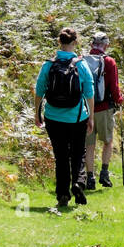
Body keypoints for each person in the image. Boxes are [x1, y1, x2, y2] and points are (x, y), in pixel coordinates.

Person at [34, 28, 95, 208]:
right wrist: (90, 117)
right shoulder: (81, 65)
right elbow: (89, 93)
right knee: (78, 153)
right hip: (77, 118)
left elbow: (39, 91)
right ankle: (78, 183)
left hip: (53, 118)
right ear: (75, 42)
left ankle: (62, 194)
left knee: (60, 156)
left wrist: (36, 113)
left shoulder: (48, 65)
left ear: (59, 42)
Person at [80, 32, 123, 191]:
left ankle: (90, 177)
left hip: (86, 110)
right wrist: (119, 100)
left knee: (89, 145)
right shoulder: (109, 62)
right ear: (106, 45)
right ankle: (104, 173)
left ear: (92, 45)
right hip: (104, 108)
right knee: (108, 141)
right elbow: (114, 87)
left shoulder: (82, 60)